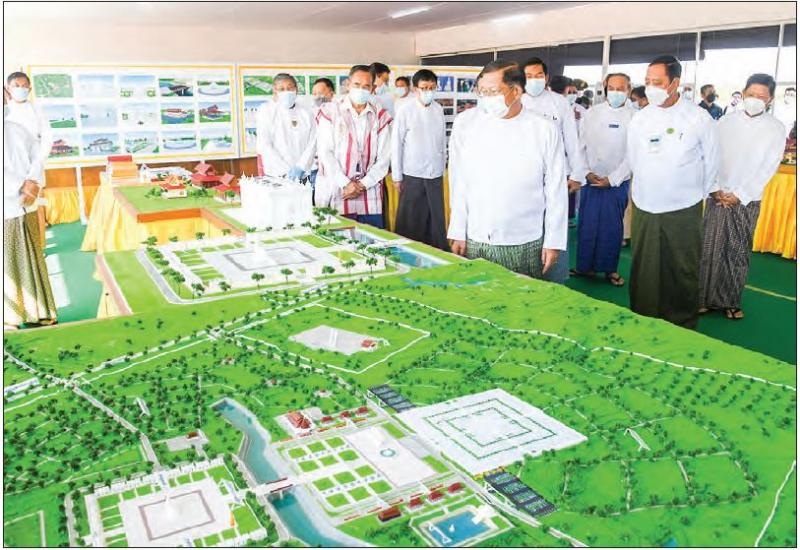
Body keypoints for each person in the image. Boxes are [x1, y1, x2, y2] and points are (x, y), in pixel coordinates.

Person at [447, 60, 567, 279]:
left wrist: (553, 241)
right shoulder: (467, 124)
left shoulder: (544, 129)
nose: (486, 98)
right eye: (482, 92)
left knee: (524, 297)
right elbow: (459, 181)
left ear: (517, 91)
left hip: (525, 240)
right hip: (477, 236)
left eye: (493, 92)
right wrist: (457, 230)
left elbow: (556, 189)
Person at [627, 55, 720, 329]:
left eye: (657, 82)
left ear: (675, 83)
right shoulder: (640, 118)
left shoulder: (698, 118)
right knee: (644, 268)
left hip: (683, 207)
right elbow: (633, 159)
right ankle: (643, 320)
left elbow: (712, 162)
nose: (650, 87)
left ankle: (682, 324)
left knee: (682, 268)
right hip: (645, 205)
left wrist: (693, 194)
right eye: (647, 81)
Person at [699, 74, 786, 320]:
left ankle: (730, 301)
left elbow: (768, 167)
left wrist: (740, 194)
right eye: (751, 94)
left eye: (761, 96)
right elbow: (711, 157)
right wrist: (715, 188)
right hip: (717, 195)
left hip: (747, 199)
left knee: (737, 251)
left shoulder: (776, 128)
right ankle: (702, 298)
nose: (755, 99)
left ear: (770, 100)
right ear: (743, 93)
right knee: (709, 249)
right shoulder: (724, 122)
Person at [521, 58, 587, 283]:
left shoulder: (560, 103)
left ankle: (556, 277)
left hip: (557, 175)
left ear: (546, 78)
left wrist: (577, 174)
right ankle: (527, 274)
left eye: (538, 75)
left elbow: (572, 140)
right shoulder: (517, 101)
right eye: (529, 76)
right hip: (525, 176)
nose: (534, 80)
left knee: (555, 222)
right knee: (527, 225)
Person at [573, 72, 633, 287]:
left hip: (616, 183)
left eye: (620, 88)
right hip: (591, 180)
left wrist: (613, 179)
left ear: (628, 90)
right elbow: (580, 147)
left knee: (612, 228)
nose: (615, 92)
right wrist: (586, 172)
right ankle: (584, 267)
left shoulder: (635, 117)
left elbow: (633, 155)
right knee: (587, 225)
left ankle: (610, 269)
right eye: (612, 88)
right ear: (606, 89)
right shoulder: (592, 113)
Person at [315, 64, 392, 228]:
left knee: (372, 239)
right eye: (357, 85)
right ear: (348, 84)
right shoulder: (330, 111)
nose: (361, 90)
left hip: (369, 195)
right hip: (338, 190)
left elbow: (384, 158)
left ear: (373, 89)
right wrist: (346, 184)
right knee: (338, 239)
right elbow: (325, 153)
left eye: (366, 86)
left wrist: (362, 185)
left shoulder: (380, 116)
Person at [4, 113, 57, 329]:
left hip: (24, 205)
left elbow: (37, 160)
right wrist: (25, 185)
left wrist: (32, 183)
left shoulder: (17, 129)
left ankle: (39, 312)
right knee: (9, 266)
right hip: (10, 207)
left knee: (31, 259)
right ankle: (12, 316)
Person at [391, 69, 447, 250]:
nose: (428, 91)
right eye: (424, 88)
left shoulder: (438, 109)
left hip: (435, 173)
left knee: (435, 220)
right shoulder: (405, 110)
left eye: (432, 87)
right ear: (415, 89)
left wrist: (443, 167)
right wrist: (397, 176)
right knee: (411, 220)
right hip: (412, 173)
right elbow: (396, 144)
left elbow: (442, 141)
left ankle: (438, 252)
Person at [5, 71, 52, 244]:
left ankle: (40, 245)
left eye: (24, 86)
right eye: (16, 86)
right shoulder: (7, 111)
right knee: (14, 212)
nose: (21, 89)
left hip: (34, 165)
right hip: (11, 170)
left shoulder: (36, 109)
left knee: (34, 206)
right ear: (8, 89)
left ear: (30, 89)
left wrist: (36, 166)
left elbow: (46, 138)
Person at [255, 73, 316, 181]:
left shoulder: (306, 112)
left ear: (296, 89)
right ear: (275, 91)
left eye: (290, 88)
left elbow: (312, 142)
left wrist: (301, 167)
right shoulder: (266, 111)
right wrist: (286, 171)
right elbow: (265, 144)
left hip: (302, 174)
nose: (286, 92)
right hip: (276, 175)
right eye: (281, 89)